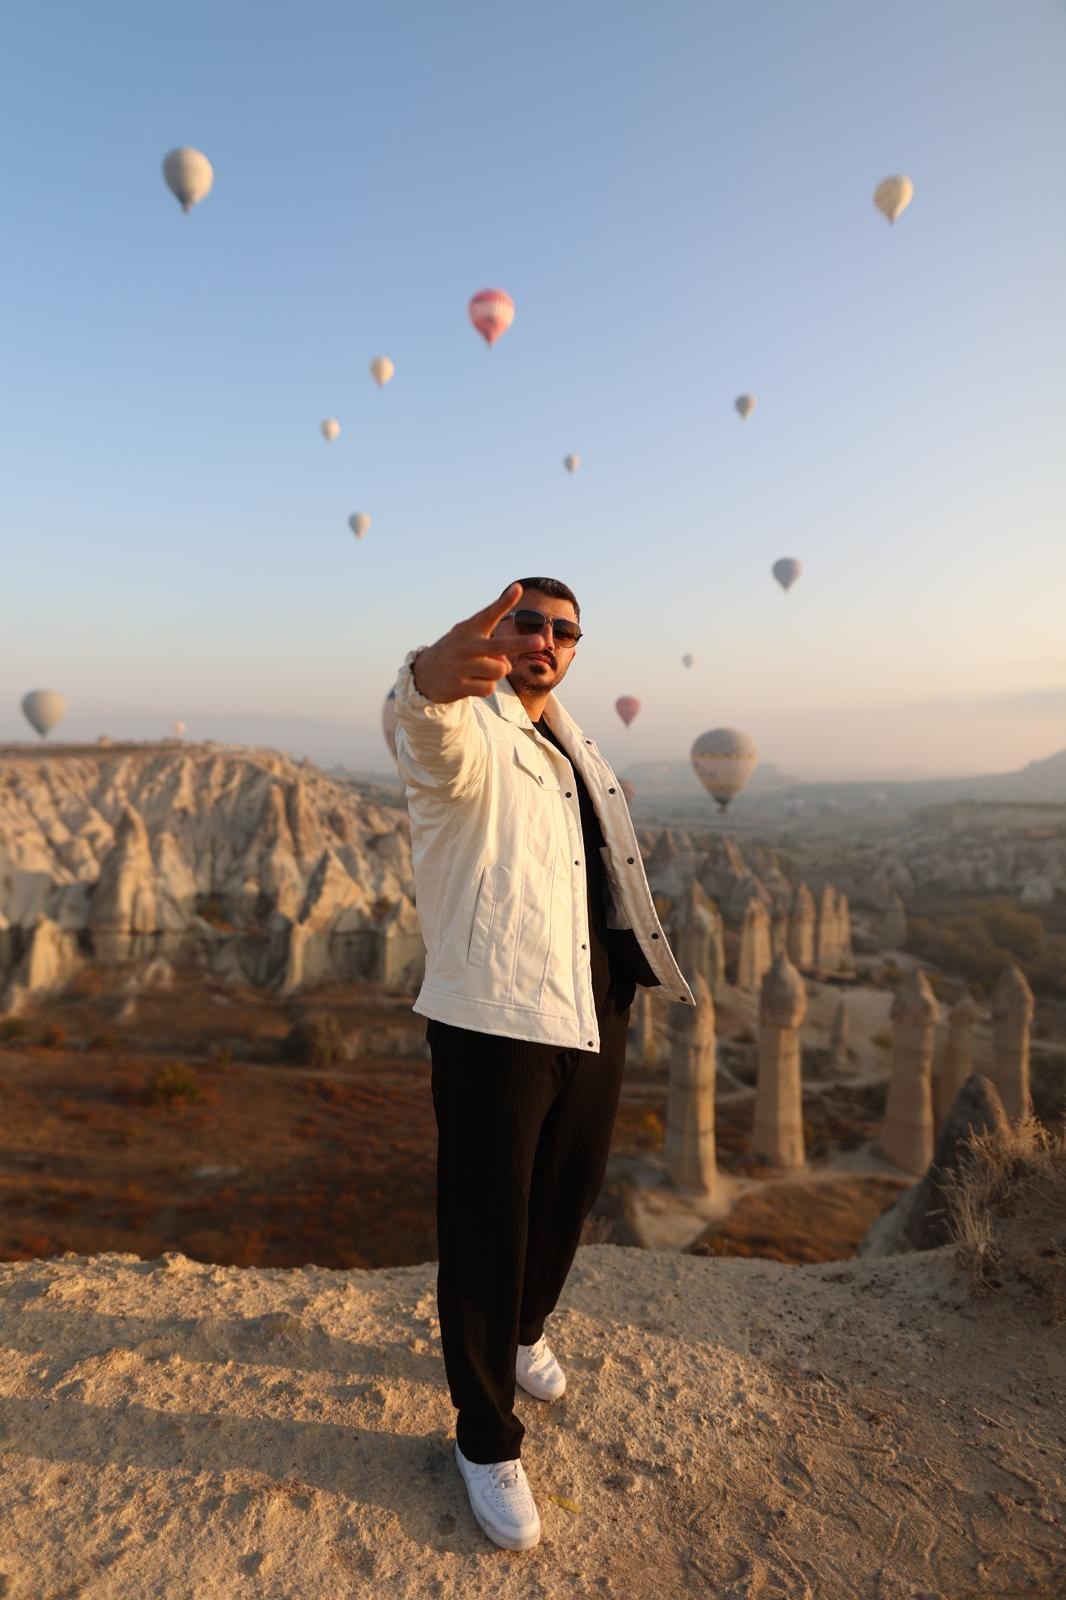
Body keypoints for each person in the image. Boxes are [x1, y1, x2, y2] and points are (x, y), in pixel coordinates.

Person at [390, 579, 693, 1552]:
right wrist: (427, 679)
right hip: (495, 1017)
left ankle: (523, 1331)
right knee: (486, 1220)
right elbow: (423, 733)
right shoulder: (471, 731)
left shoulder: (573, 738)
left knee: (567, 1194)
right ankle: (484, 1438)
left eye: (565, 630)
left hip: (592, 998)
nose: (546, 640)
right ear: (499, 630)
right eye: (529, 622)